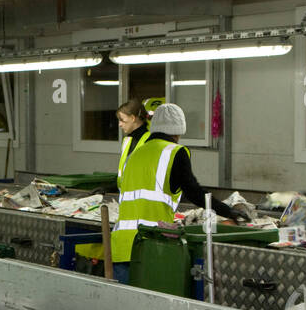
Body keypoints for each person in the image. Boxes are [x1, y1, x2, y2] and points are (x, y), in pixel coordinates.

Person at [110, 103, 239, 285]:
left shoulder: (135, 154)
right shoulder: (174, 152)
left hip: (121, 245)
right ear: (177, 132)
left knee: (124, 307)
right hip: (152, 244)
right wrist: (228, 211)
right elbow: (194, 192)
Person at [79, 100, 152, 271]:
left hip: (141, 211)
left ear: (134, 118)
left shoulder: (150, 142)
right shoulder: (127, 141)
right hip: (127, 208)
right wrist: (109, 187)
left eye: (123, 120)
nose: (119, 124)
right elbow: (126, 174)